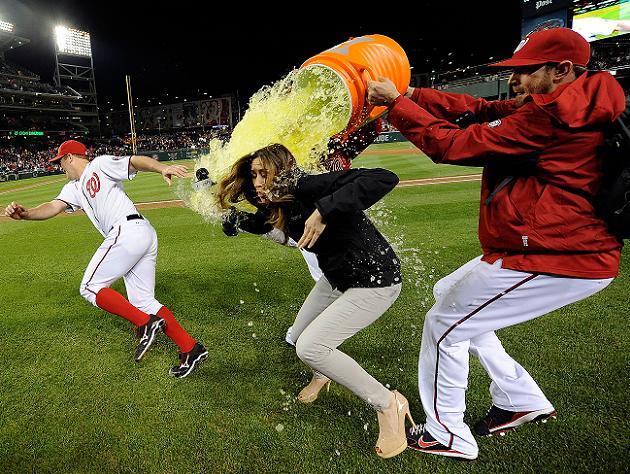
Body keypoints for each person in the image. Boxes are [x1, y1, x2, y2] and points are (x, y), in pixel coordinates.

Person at [366, 27, 626, 460]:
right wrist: (412, 92)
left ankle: (448, 433)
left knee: (444, 326)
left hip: (560, 256)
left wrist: (396, 105)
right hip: (553, 248)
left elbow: (451, 144)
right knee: (449, 296)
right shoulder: (565, 101)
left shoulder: (552, 115)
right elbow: (479, 108)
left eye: (525, 72)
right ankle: (519, 397)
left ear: (561, 70)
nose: (515, 80)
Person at [215, 143, 413, 458]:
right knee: (298, 337)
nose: (257, 182)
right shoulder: (278, 201)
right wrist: (238, 220)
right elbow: (272, 227)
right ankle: (324, 374)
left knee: (311, 347)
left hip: (375, 280)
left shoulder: (309, 185)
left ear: (282, 170)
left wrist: (323, 211)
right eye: (252, 175)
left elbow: (384, 177)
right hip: (338, 279)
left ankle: (389, 404)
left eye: (263, 173)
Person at [4, 139, 208, 378]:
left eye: (60, 162)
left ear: (69, 157)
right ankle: (190, 348)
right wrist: (26, 214)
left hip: (127, 230)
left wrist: (161, 168)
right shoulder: (74, 187)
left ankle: (146, 323)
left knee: (89, 287)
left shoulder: (98, 165)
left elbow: (134, 161)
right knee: (143, 301)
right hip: (140, 234)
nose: (60, 167)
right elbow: (52, 207)